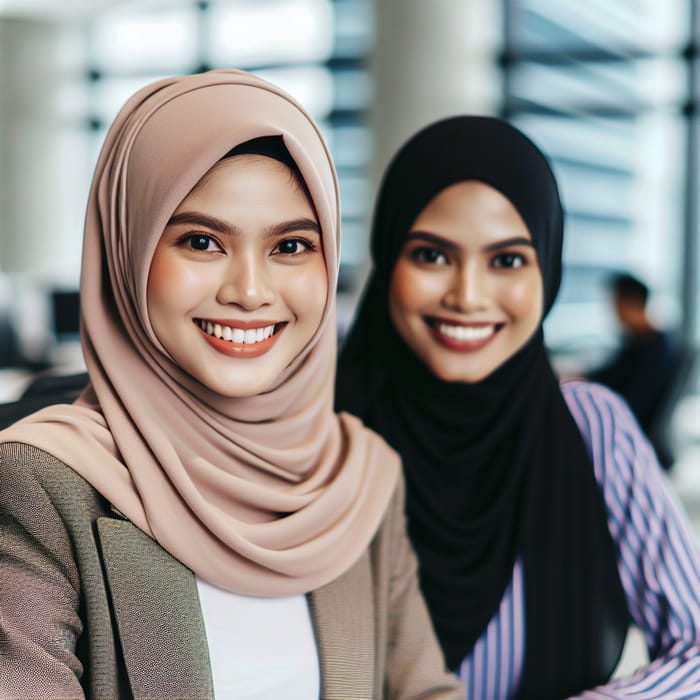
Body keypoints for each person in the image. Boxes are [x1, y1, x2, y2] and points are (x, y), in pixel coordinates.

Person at [0, 70, 463, 699]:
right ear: (126, 252)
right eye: (201, 241)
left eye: (292, 246)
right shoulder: (41, 483)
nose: (248, 291)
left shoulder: (358, 478)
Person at [336, 116, 700, 699]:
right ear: (389, 257)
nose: (467, 297)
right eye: (432, 255)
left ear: (547, 270)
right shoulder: (321, 430)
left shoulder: (592, 430)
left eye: (507, 260)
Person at [587, 272, 682, 466]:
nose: (613, 312)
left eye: (615, 304)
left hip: (629, 433)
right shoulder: (638, 342)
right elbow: (609, 375)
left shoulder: (652, 349)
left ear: (631, 304)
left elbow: (634, 401)